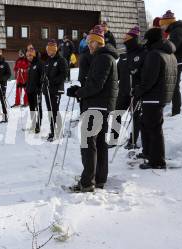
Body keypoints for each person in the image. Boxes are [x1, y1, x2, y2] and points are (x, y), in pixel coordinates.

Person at [66, 25, 119, 192]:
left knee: (88, 143)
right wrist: (78, 91)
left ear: (98, 42)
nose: (89, 45)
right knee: (99, 143)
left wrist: (78, 93)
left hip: (97, 105)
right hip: (101, 105)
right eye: (88, 41)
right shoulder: (103, 57)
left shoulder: (103, 58)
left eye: (91, 42)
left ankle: (87, 181)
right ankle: (99, 178)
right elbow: (93, 82)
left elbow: (96, 85)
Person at [134, 28, 178, 169]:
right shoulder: (170, 54)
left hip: (153, 96)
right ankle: (149, 154)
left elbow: (149, 79)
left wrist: (138, 90)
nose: (145, 42)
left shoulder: (154, 54)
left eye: (147, 39)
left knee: (153, 129)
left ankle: (157, 161)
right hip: (161, 96)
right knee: (148, 126)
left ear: (152, 39)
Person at [111, 26, 146, 149]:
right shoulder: (123, 56)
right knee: (116, 113)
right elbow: (117, 75)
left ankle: (132, 141)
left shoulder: (142, 53)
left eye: (127, 38)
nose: (125, 41)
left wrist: (139, 88)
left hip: (136, 92)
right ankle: (113, 139)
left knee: (135, 117)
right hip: (123, 91)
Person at [43, 39, 68, 141]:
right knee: (50, 111)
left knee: (55, 110)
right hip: (47, 90)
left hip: (56, 89)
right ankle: (53, 130)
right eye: (48, 49)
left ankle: (57, 131)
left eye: (51, 49)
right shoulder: (48, 61)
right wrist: (43, 80)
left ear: (55, 49)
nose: (49, 51)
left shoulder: (61, 60)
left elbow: (64, 74)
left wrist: (53, 81)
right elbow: (45, 75)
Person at [160, 10, 182, 116]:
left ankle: (176, 111)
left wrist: (163, 46)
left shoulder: (177, 30)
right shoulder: (174, 30)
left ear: (167, 23)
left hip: (179, 60)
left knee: (174, 86)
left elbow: (173, 46)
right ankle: (175, 109)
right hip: (177, 60)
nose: (162, 27)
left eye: (163, 25)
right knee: (173, 85)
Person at [26, 49, 43, 134]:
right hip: (29, 90)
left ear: (34, 55)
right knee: (32, 108)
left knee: (38, 108)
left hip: (36, 90)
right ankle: (33, 124)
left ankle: (38, 125)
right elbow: (29, 79)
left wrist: (39, 88)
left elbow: (42, 77)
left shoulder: (39, 64)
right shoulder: (30, 65)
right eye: (27, 56)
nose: (28, 57)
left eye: (30, 55)